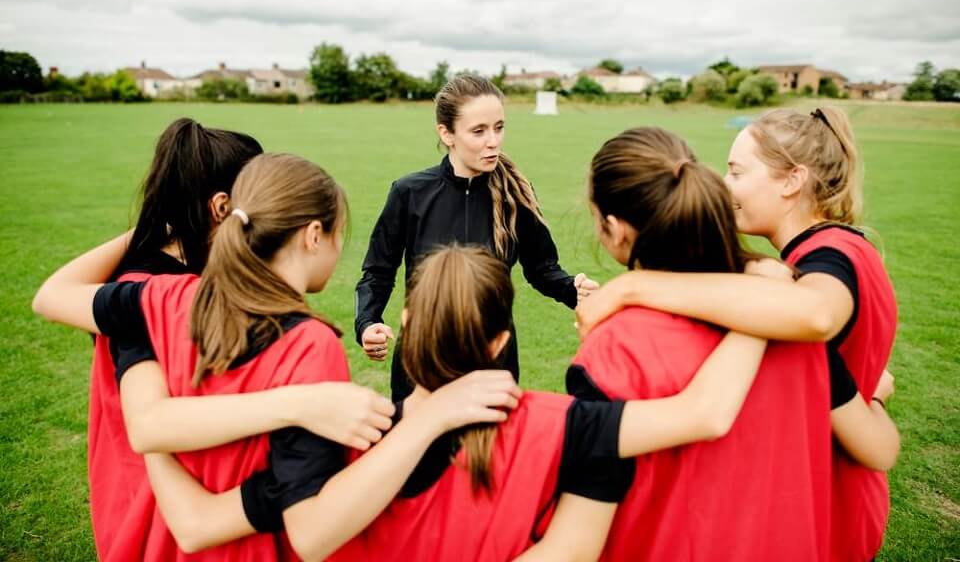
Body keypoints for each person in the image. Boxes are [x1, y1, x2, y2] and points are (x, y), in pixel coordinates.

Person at [110, 243, 772, 561]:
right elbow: (706, 412)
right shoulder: (568, 427)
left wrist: (147, 404)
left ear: (406, 320)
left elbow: (205, 524)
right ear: (503, 338)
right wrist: (762, 305)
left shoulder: (342, 429)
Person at [33, 153, 520, 561]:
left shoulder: (158, 297)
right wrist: (419, 419)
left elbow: (57, 299)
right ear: (313, 235)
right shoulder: (310, 347)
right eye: (336, 234)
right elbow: (310, 532)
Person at [576, 115, 899, 561]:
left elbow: (816, 314)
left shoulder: (815, 276)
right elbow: (878, 442)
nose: (723, 186)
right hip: (798, 513)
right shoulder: (793, 280)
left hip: (824, 501)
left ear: (793, 180)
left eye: (736, 171)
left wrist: (634, 287)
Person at [355, 73, 598, 400]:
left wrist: (574, 291)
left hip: (494, 364)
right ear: (447, 133)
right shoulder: (409, 193)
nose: (493, 141)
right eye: (479, 131)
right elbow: (378, 272)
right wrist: (368, 322)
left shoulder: (516, 197)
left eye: (499, 127)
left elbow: (542, 270)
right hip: (421, 368)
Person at [84, 117, 262, 560]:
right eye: (261, 196)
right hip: (158, 505)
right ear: (221, 207)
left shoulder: (194, 269)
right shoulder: (148, 288)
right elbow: (148, 424)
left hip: (187, 495)